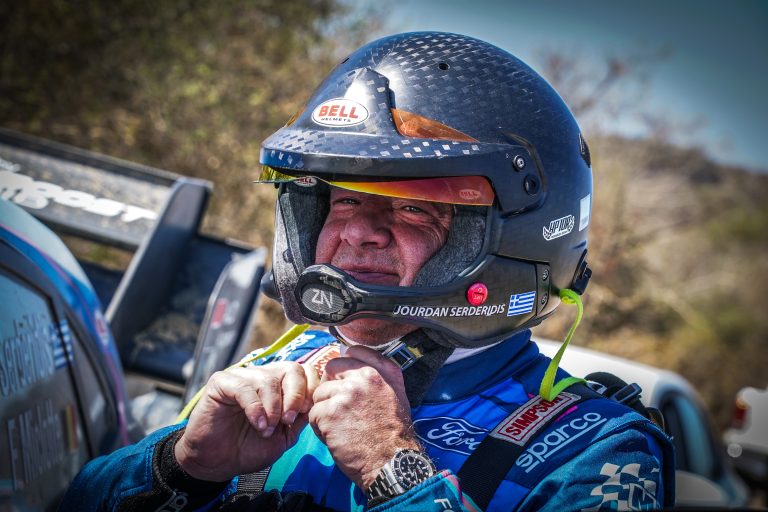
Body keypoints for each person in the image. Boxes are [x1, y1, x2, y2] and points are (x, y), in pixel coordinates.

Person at [60, 32, 674, 511]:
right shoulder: (268, 376)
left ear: (514, 238)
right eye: (344, 200)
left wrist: (395, 471)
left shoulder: (597, 448)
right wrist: (181, 466)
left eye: (413, 208)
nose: (357, 232)